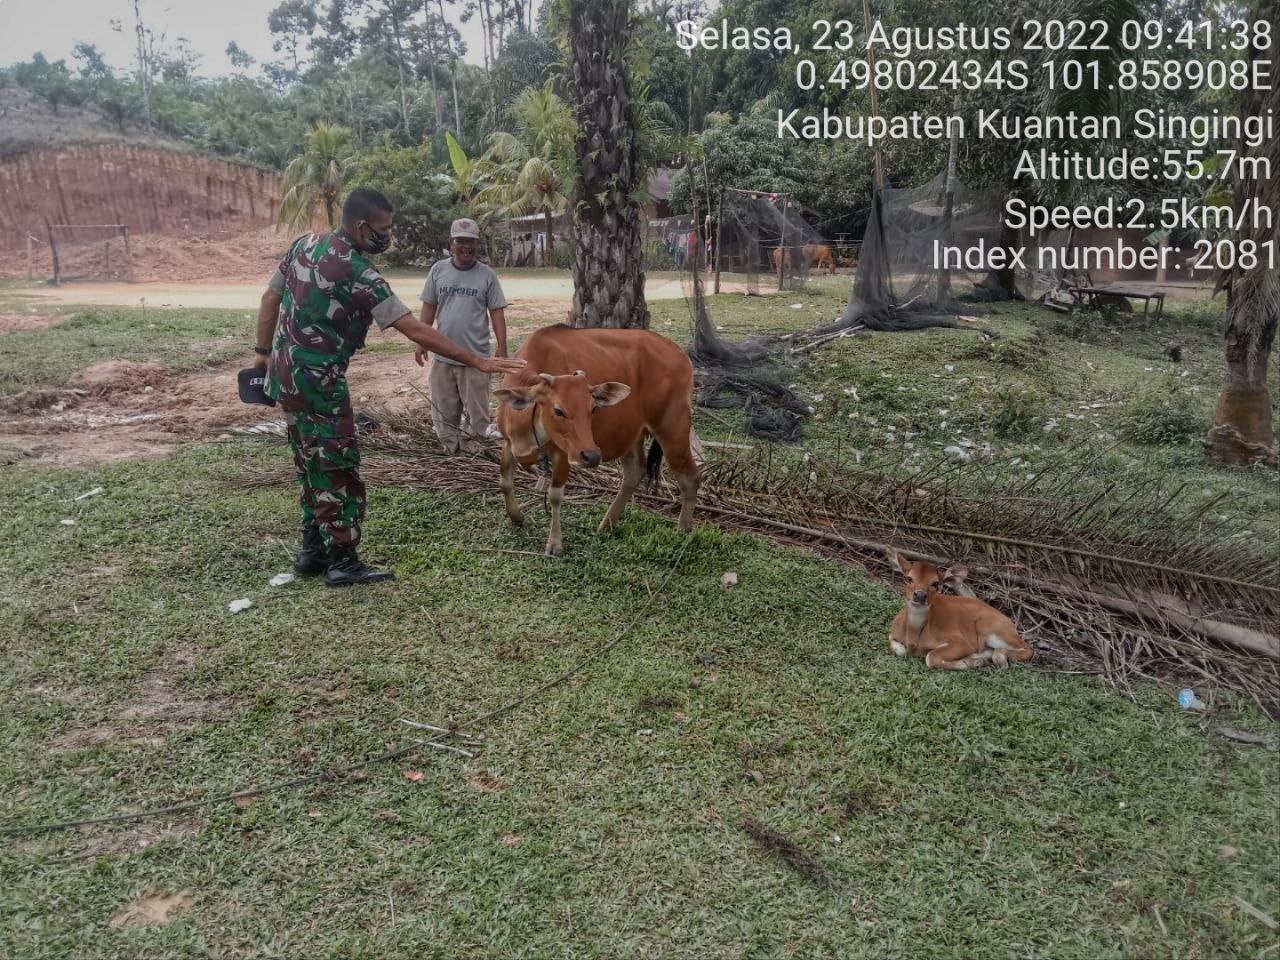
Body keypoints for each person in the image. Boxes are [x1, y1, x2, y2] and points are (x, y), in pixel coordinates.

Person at [253, 188, 525, 587]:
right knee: (337, 464)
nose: (388, 235)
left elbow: (270, 296)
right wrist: (479, 360)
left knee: (307, 458)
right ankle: (342, 559)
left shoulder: (304, 245)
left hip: (285, 373)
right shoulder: (358, 271)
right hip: (321, 380)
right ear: (361, 227)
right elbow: (413, 327)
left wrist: (261, 353)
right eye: (384, 229)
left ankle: (312, 549)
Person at [415, 217, 509, 454]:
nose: (466, 246)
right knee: (444, 411)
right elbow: (429, 307)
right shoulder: (438, 270)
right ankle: (450, 452)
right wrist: (421, 342)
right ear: (451, 242)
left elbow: (496, 313)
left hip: (476, 359)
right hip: (443, 357)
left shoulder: (487, 275)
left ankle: (473, 454)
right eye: (461, 241)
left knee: (477, 414)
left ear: (477, 244)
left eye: (471, 242)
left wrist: (502, 348)